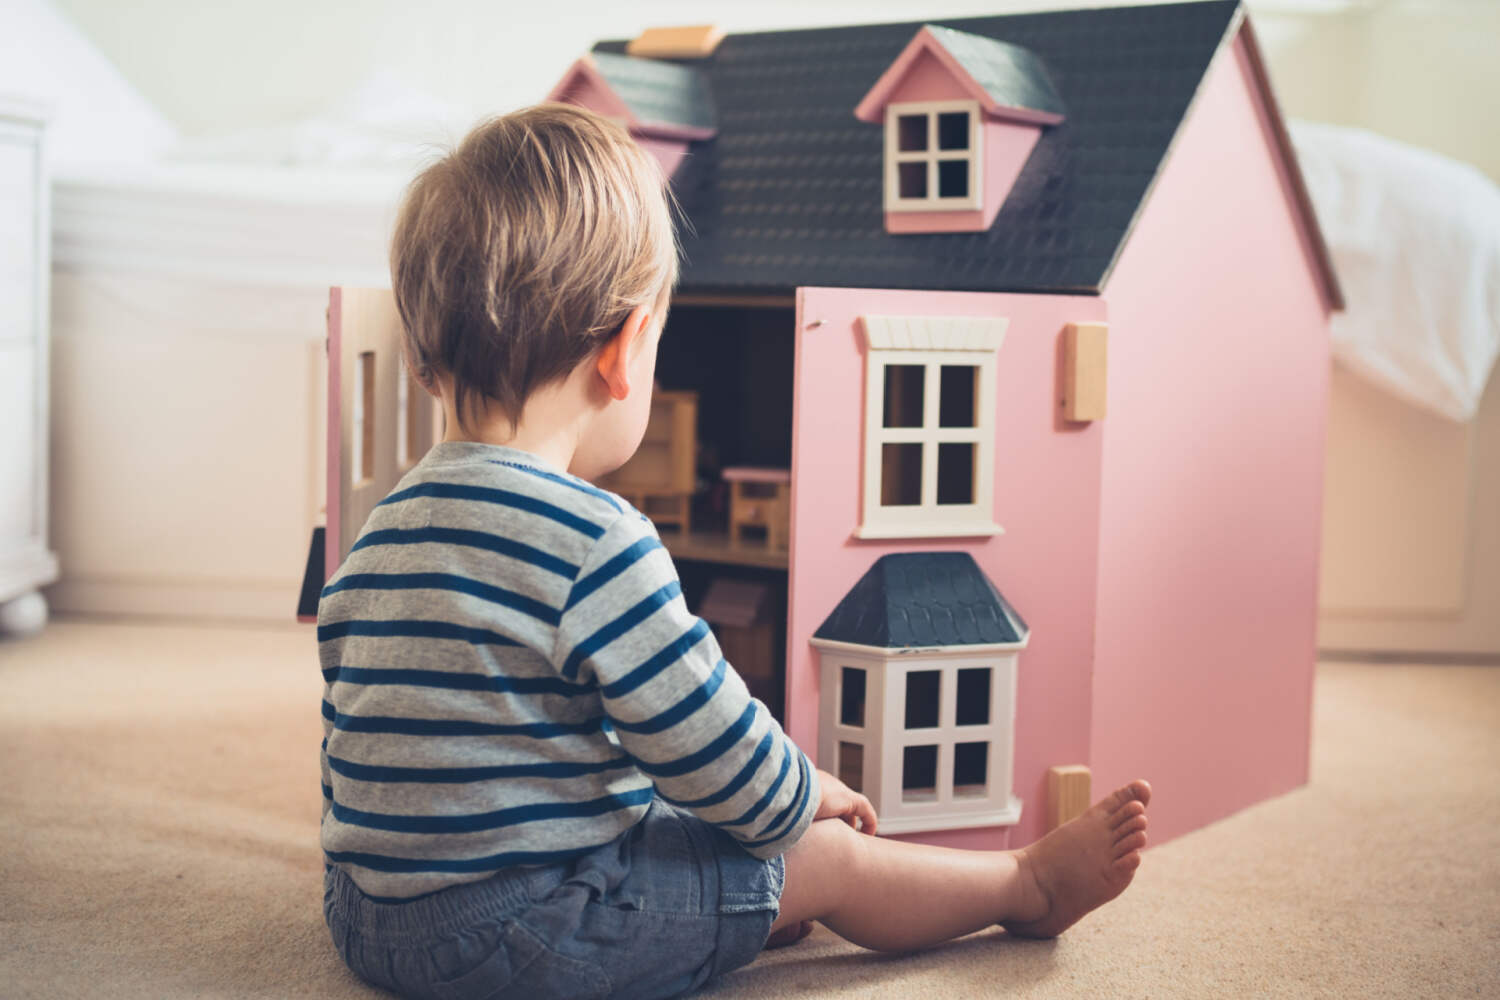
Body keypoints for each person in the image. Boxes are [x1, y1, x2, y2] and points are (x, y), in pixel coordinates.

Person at [317, 102, 1151, 1000]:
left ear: (422, 355)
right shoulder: (597, 539)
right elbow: (707, 739)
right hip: (521, 933)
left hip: (370, 919)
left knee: (671, 814)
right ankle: (1024, 886)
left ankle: (732, 905)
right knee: (822, 858)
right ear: (627, 352)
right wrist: (802, 797)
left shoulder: (381, 530)